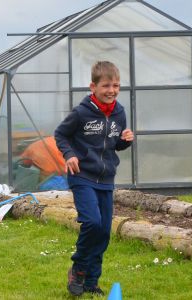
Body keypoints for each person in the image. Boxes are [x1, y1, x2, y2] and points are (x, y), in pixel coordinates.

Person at [54, 61, 134, 297]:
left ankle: (91, 282)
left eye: (116, 85)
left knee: (104, 232)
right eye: (106, 86)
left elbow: (114, 144)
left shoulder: (119, 112)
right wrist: (69, 155)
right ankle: (78, 268)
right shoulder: (81, 112)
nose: (112, 90)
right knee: (92, 223)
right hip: (82, 176)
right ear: (93, 86)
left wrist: (125, 141)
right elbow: (60, 134)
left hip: (106, 178)